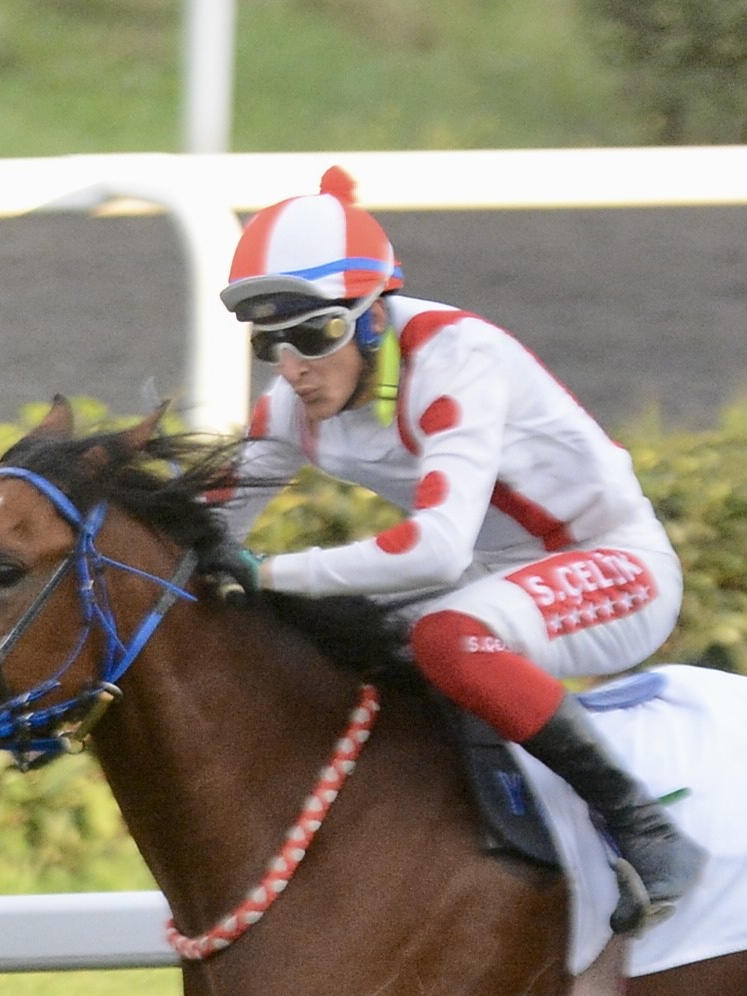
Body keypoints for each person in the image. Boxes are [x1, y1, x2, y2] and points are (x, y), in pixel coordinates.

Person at [213, 168, 703, 930]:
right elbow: (206, 526)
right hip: (491, 574)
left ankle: (646, 826)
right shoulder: (289, 405)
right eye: (271, 342)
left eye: (314, 335)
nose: (294, 367)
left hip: (617, 564)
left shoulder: (457, 360)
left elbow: (437, 550)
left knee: (447, 636)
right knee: (321, 640)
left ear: (373, 319)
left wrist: (271, 572)